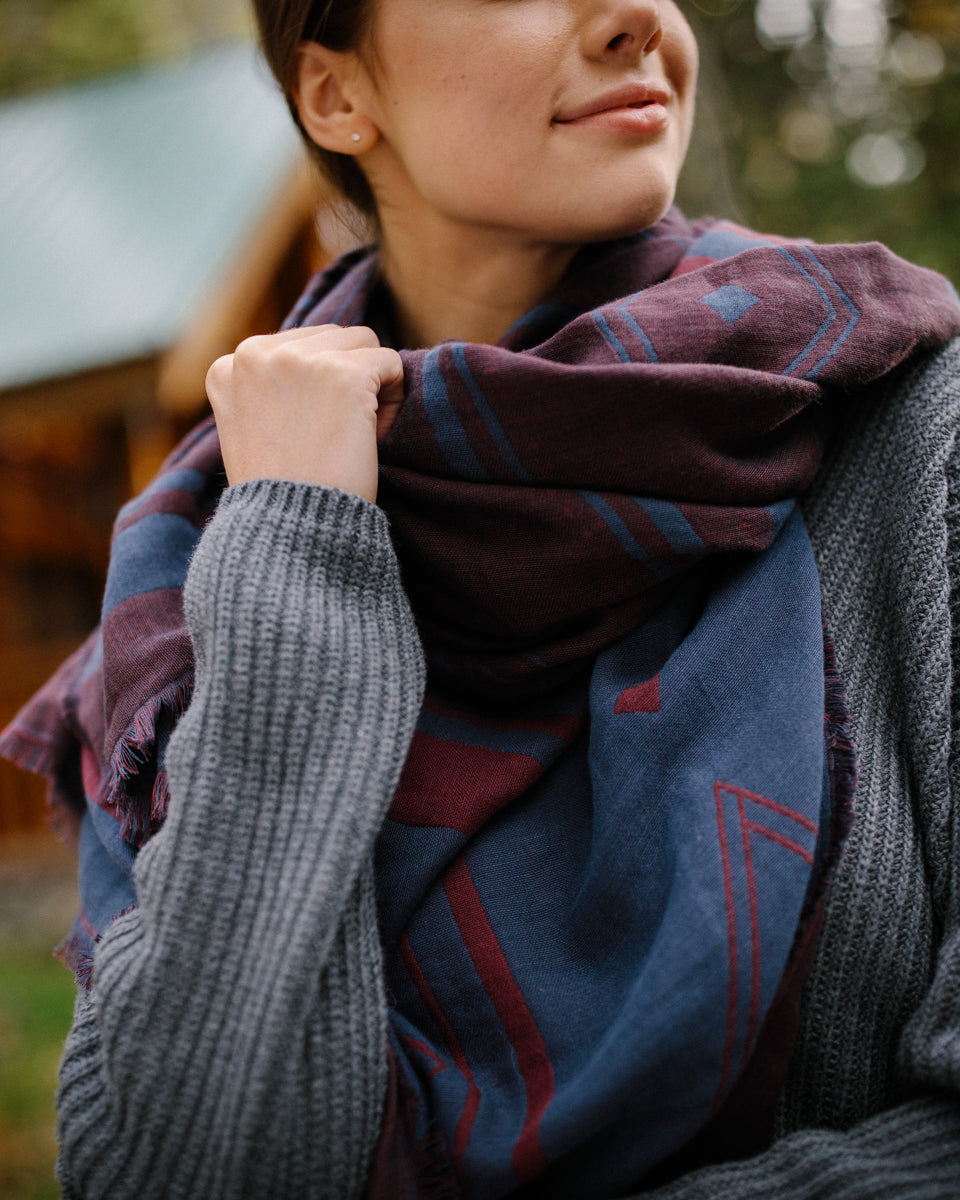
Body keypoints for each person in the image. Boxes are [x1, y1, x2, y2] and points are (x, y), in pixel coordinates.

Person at [4, 0, 960, 1196]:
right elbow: (188, 1162)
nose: (636, 19)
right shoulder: (204, 565)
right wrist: (301, 544)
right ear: (338, 97)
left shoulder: (914, 434)